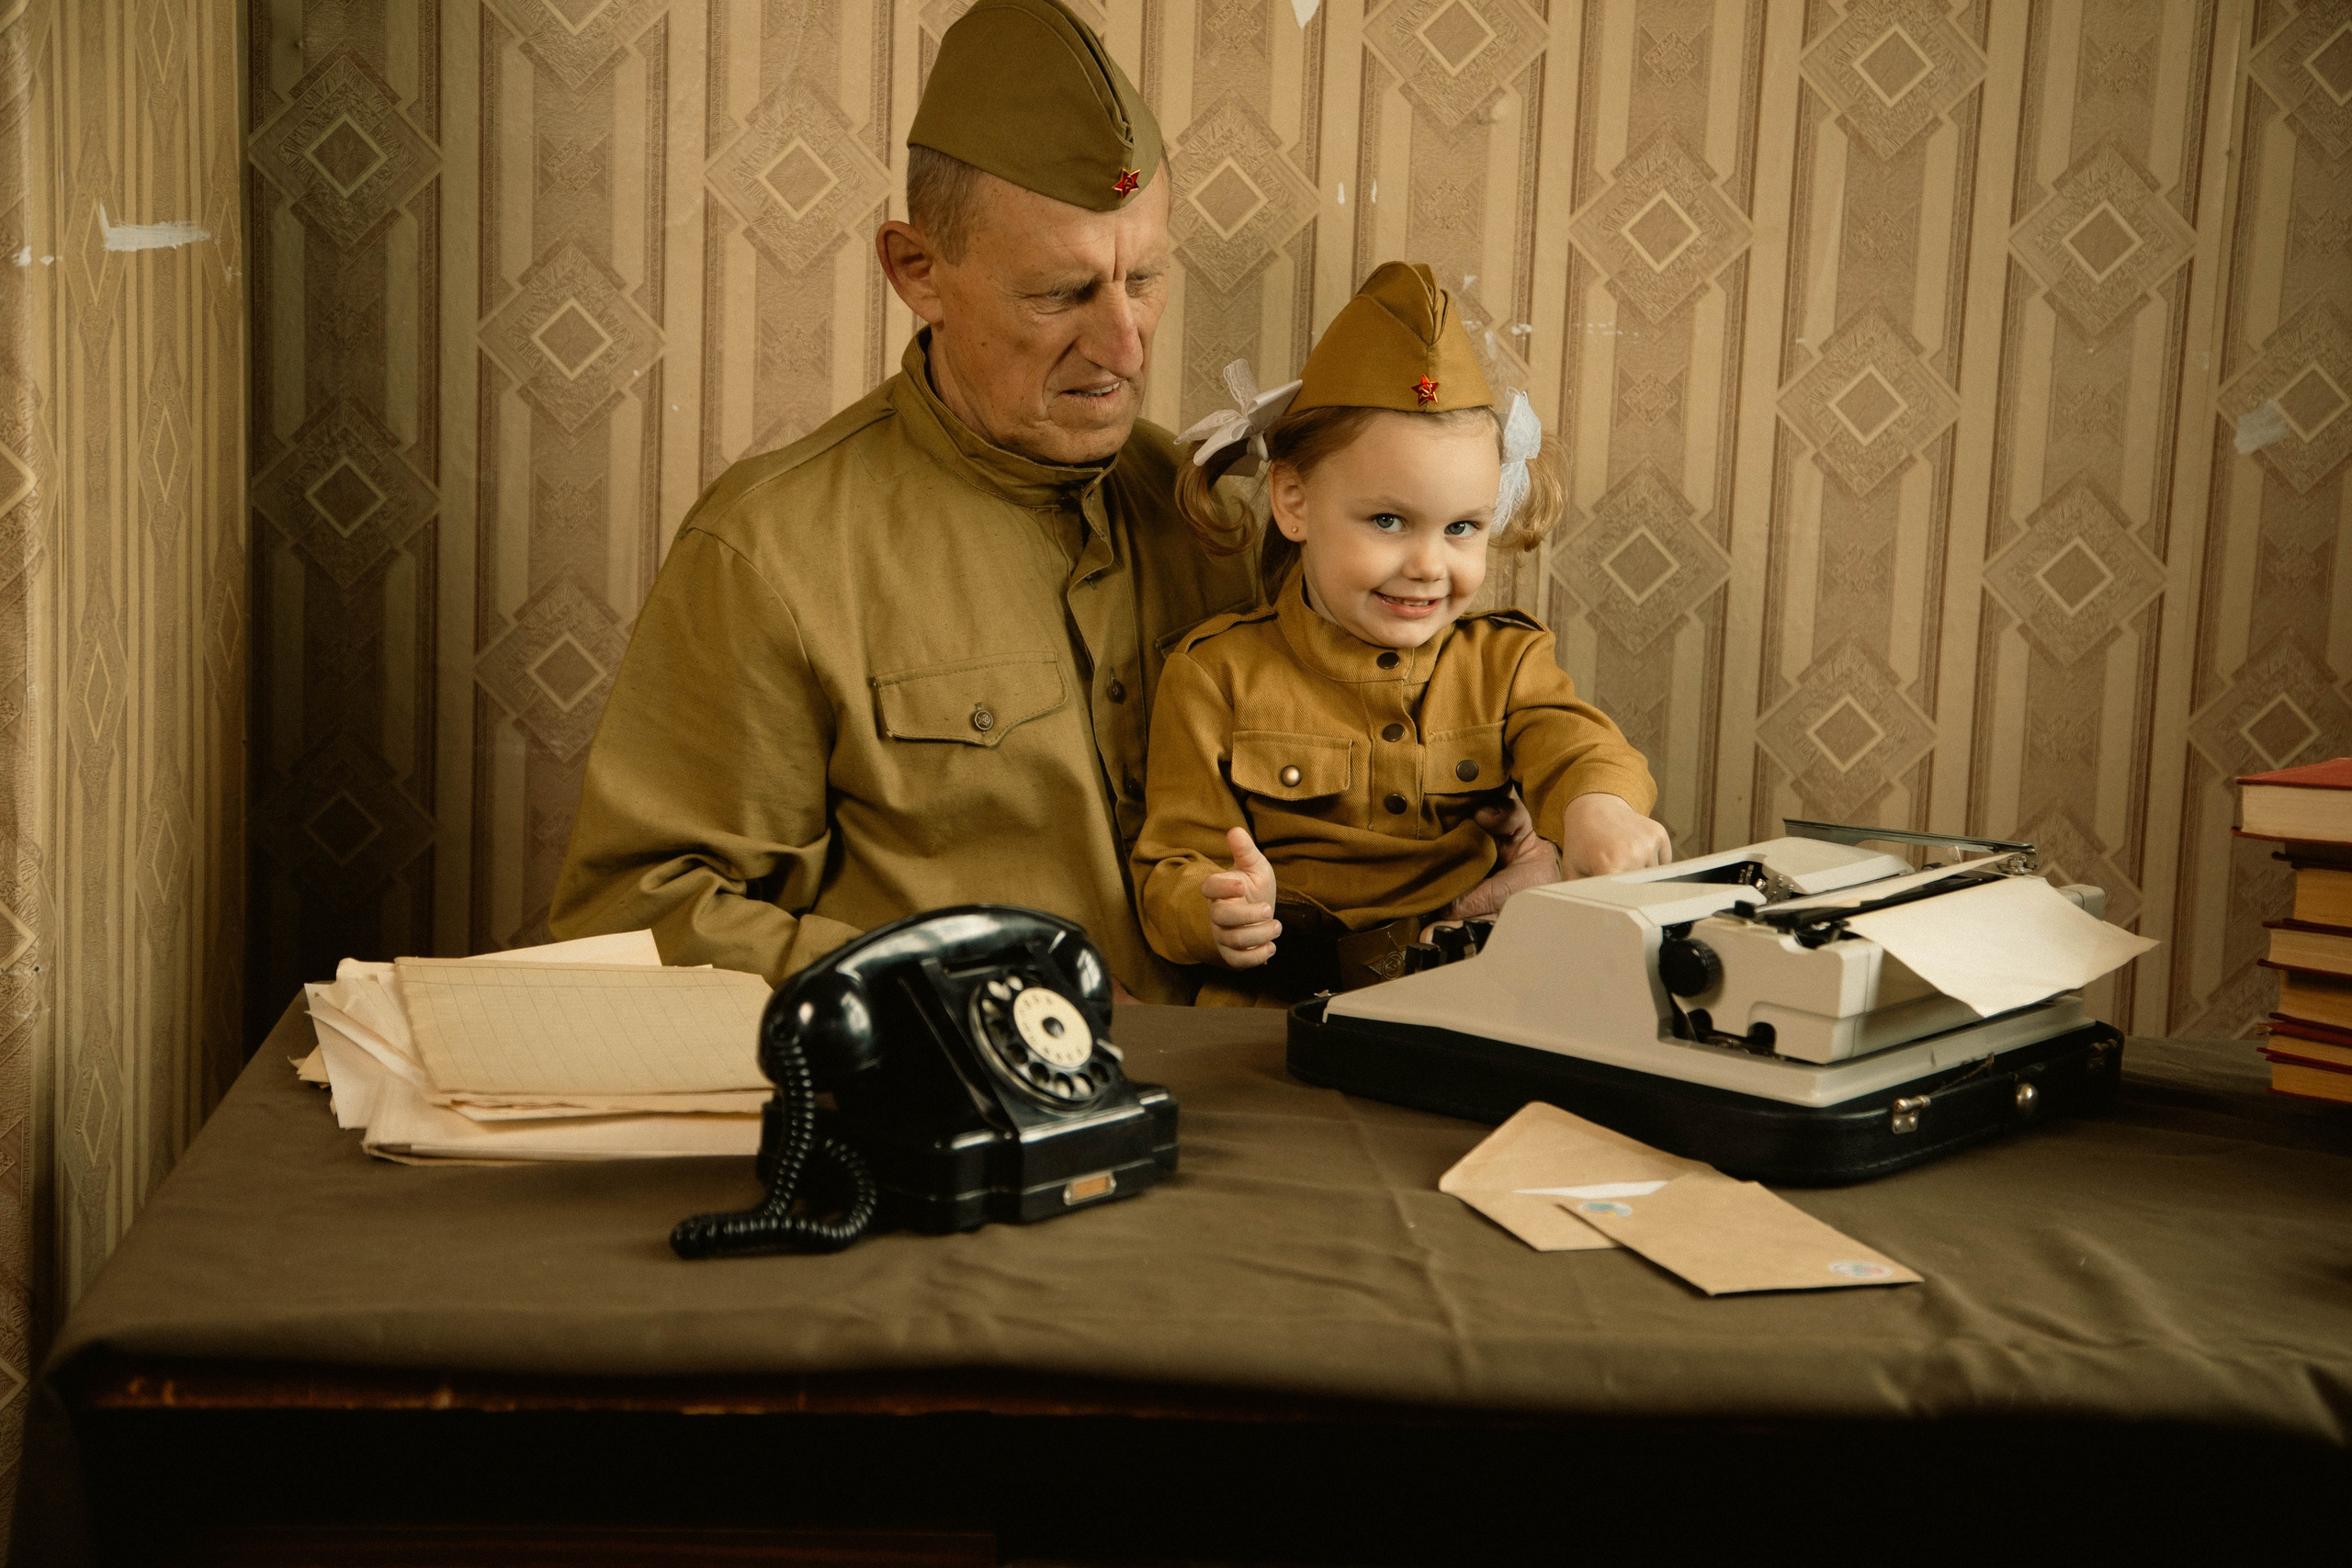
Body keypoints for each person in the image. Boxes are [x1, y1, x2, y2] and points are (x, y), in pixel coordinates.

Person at [549, 0, 1534, 998]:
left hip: (1263, 1080)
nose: (1126, 345)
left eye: (1142, 278)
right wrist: (957, 996)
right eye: (1061, 294)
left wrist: (1517, 849)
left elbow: (1398, 751)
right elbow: (637, 916)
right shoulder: (770, 549)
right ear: (918, 272)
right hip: (961, 1110)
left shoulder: (1225, 515)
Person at [1131, 263, 1672, 1007]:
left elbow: (1575, 742)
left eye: (1461, 528)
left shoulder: (1505, 662)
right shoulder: (1216, 674)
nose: (1427, 564)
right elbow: (1171, 859)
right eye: (1388, 521)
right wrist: (1212, 907)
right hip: (1276, 1014)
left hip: (1469, 995)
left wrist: (1597, 807)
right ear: (1294, 502)